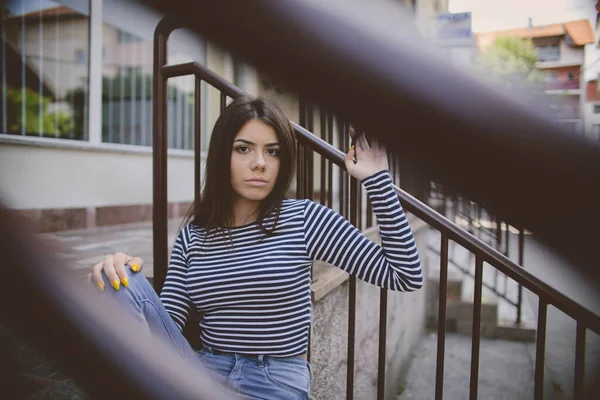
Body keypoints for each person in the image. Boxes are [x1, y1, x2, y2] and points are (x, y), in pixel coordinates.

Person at [88, 96, 423, 400]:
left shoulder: (303, 219)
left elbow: (405, 274)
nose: (260, 163)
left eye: (272, 151)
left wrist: (378, 179)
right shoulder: (194, 235)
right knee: (123, 281)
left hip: (273, 382)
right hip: (201, 373)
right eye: (244, 148)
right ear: (223, 156)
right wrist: (117, 271)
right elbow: (169, 322)